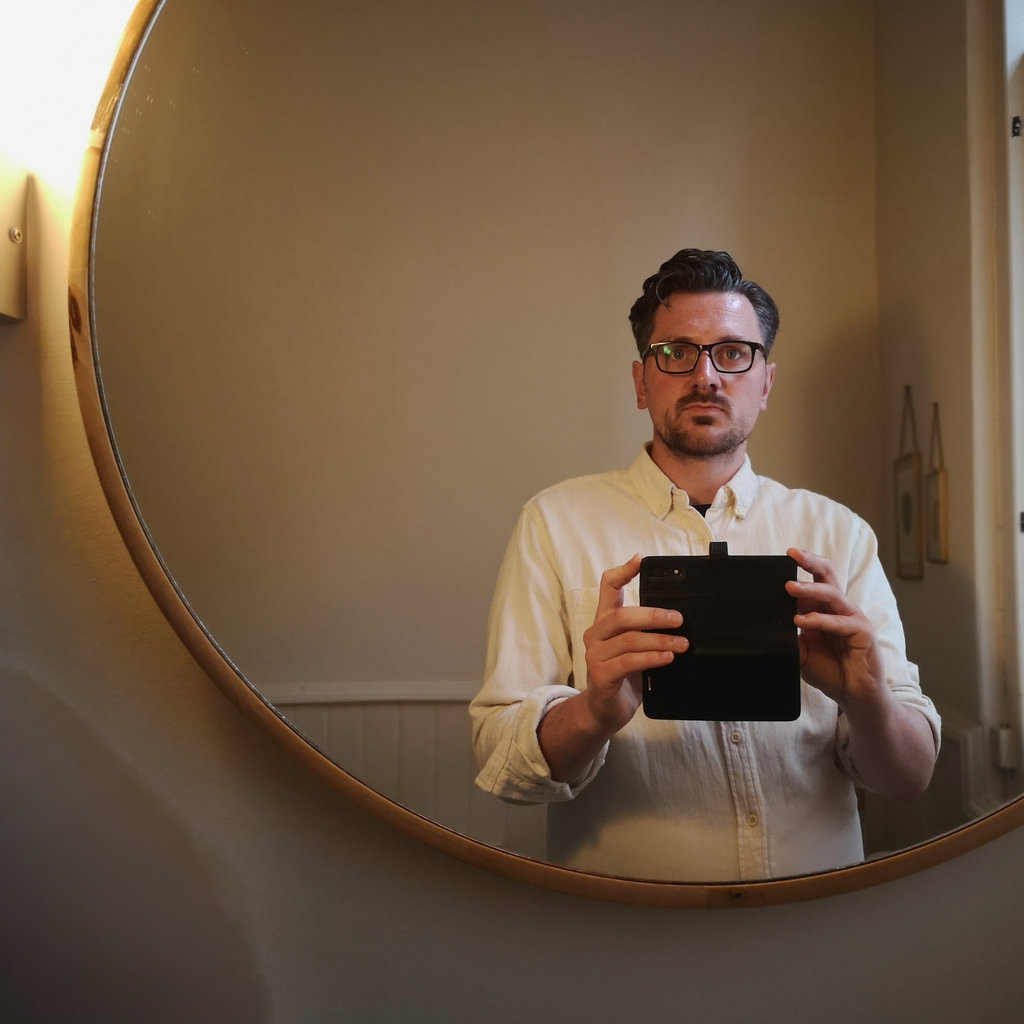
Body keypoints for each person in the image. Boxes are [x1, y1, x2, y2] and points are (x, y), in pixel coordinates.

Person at [469, 248, 940, 882]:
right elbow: (500, 763)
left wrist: (866, 698)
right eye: (676, 353)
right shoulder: (553, 524)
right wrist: (594, 713)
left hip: (815, 913)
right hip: (631, 918)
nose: (707, 376)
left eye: (734, 353)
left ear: (765, 382)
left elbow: (909, 779)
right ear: (641, 382)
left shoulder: (839, 535)